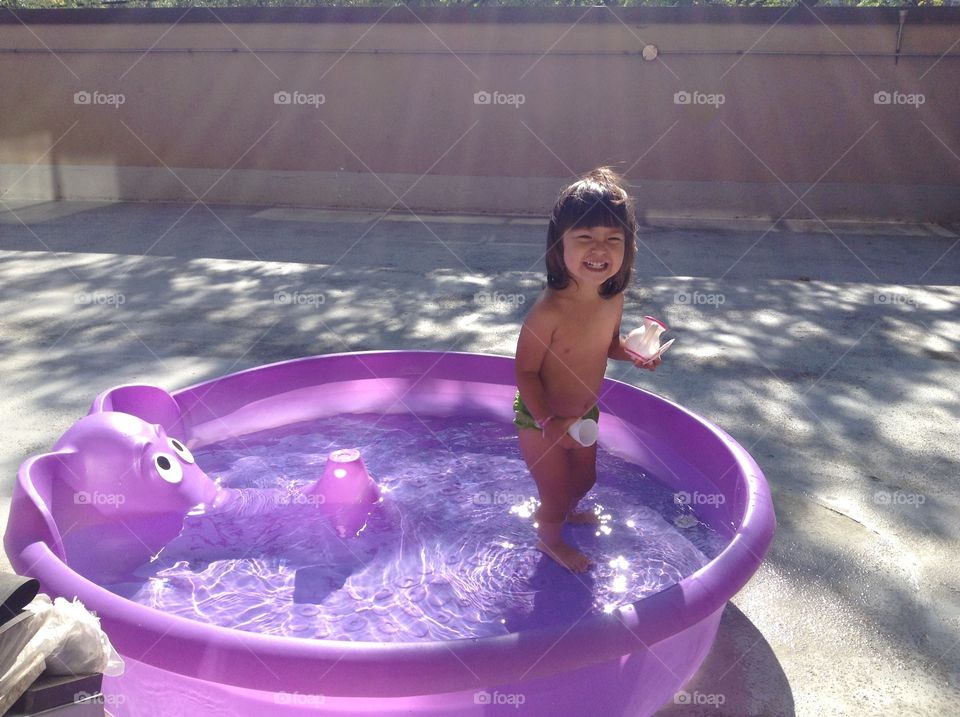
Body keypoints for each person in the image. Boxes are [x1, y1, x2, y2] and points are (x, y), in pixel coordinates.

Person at [514, 168, 660, 573]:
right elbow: (525, 372)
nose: (600, 250)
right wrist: (546, 420)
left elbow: (608, 345)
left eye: (613, 240)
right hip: (539, 417)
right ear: (559, 247)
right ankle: (550, 540)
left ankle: (565, 511)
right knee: (555, 494)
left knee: (584, 481)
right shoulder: (548, 312)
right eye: (585, 238)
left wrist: (634, 354)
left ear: (627, 248)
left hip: (584, 414)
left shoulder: (613, 300)